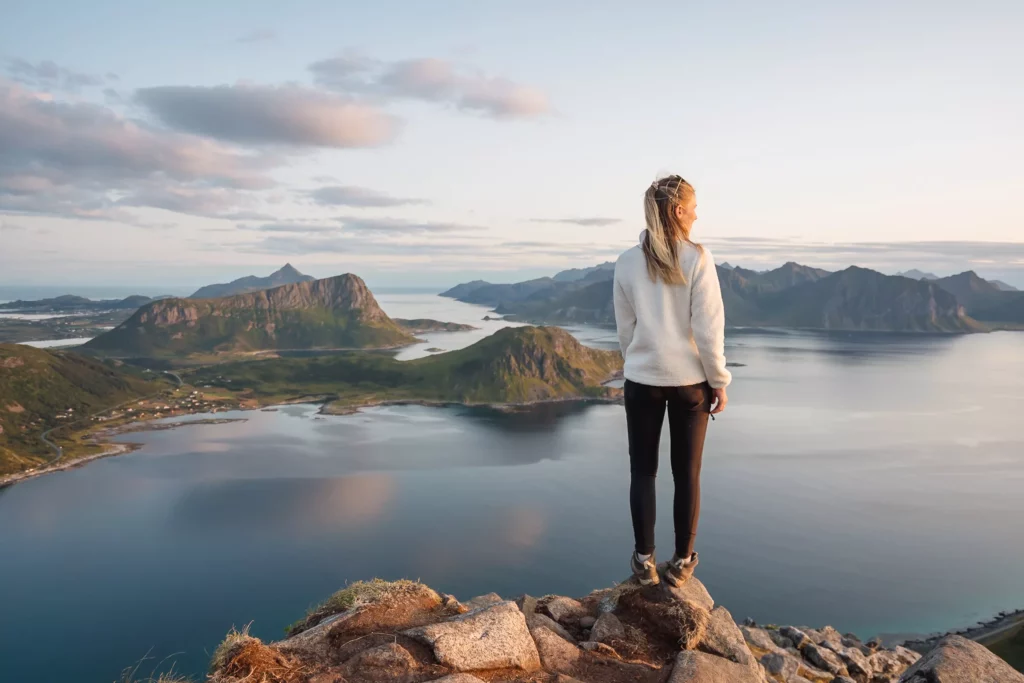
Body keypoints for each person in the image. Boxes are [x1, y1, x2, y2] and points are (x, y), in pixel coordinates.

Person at [613, 174, 730, 587]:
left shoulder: (626, 262)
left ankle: (644, 561)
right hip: (690, 384)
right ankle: (682, 563)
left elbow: (625, 329)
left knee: (643, 472)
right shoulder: (697, 257)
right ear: (679, 210)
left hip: (642, 380)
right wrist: (719, 380)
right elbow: (708, 328)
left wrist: (641, 362)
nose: (697, 214)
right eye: (694, 207)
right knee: (688, 474)